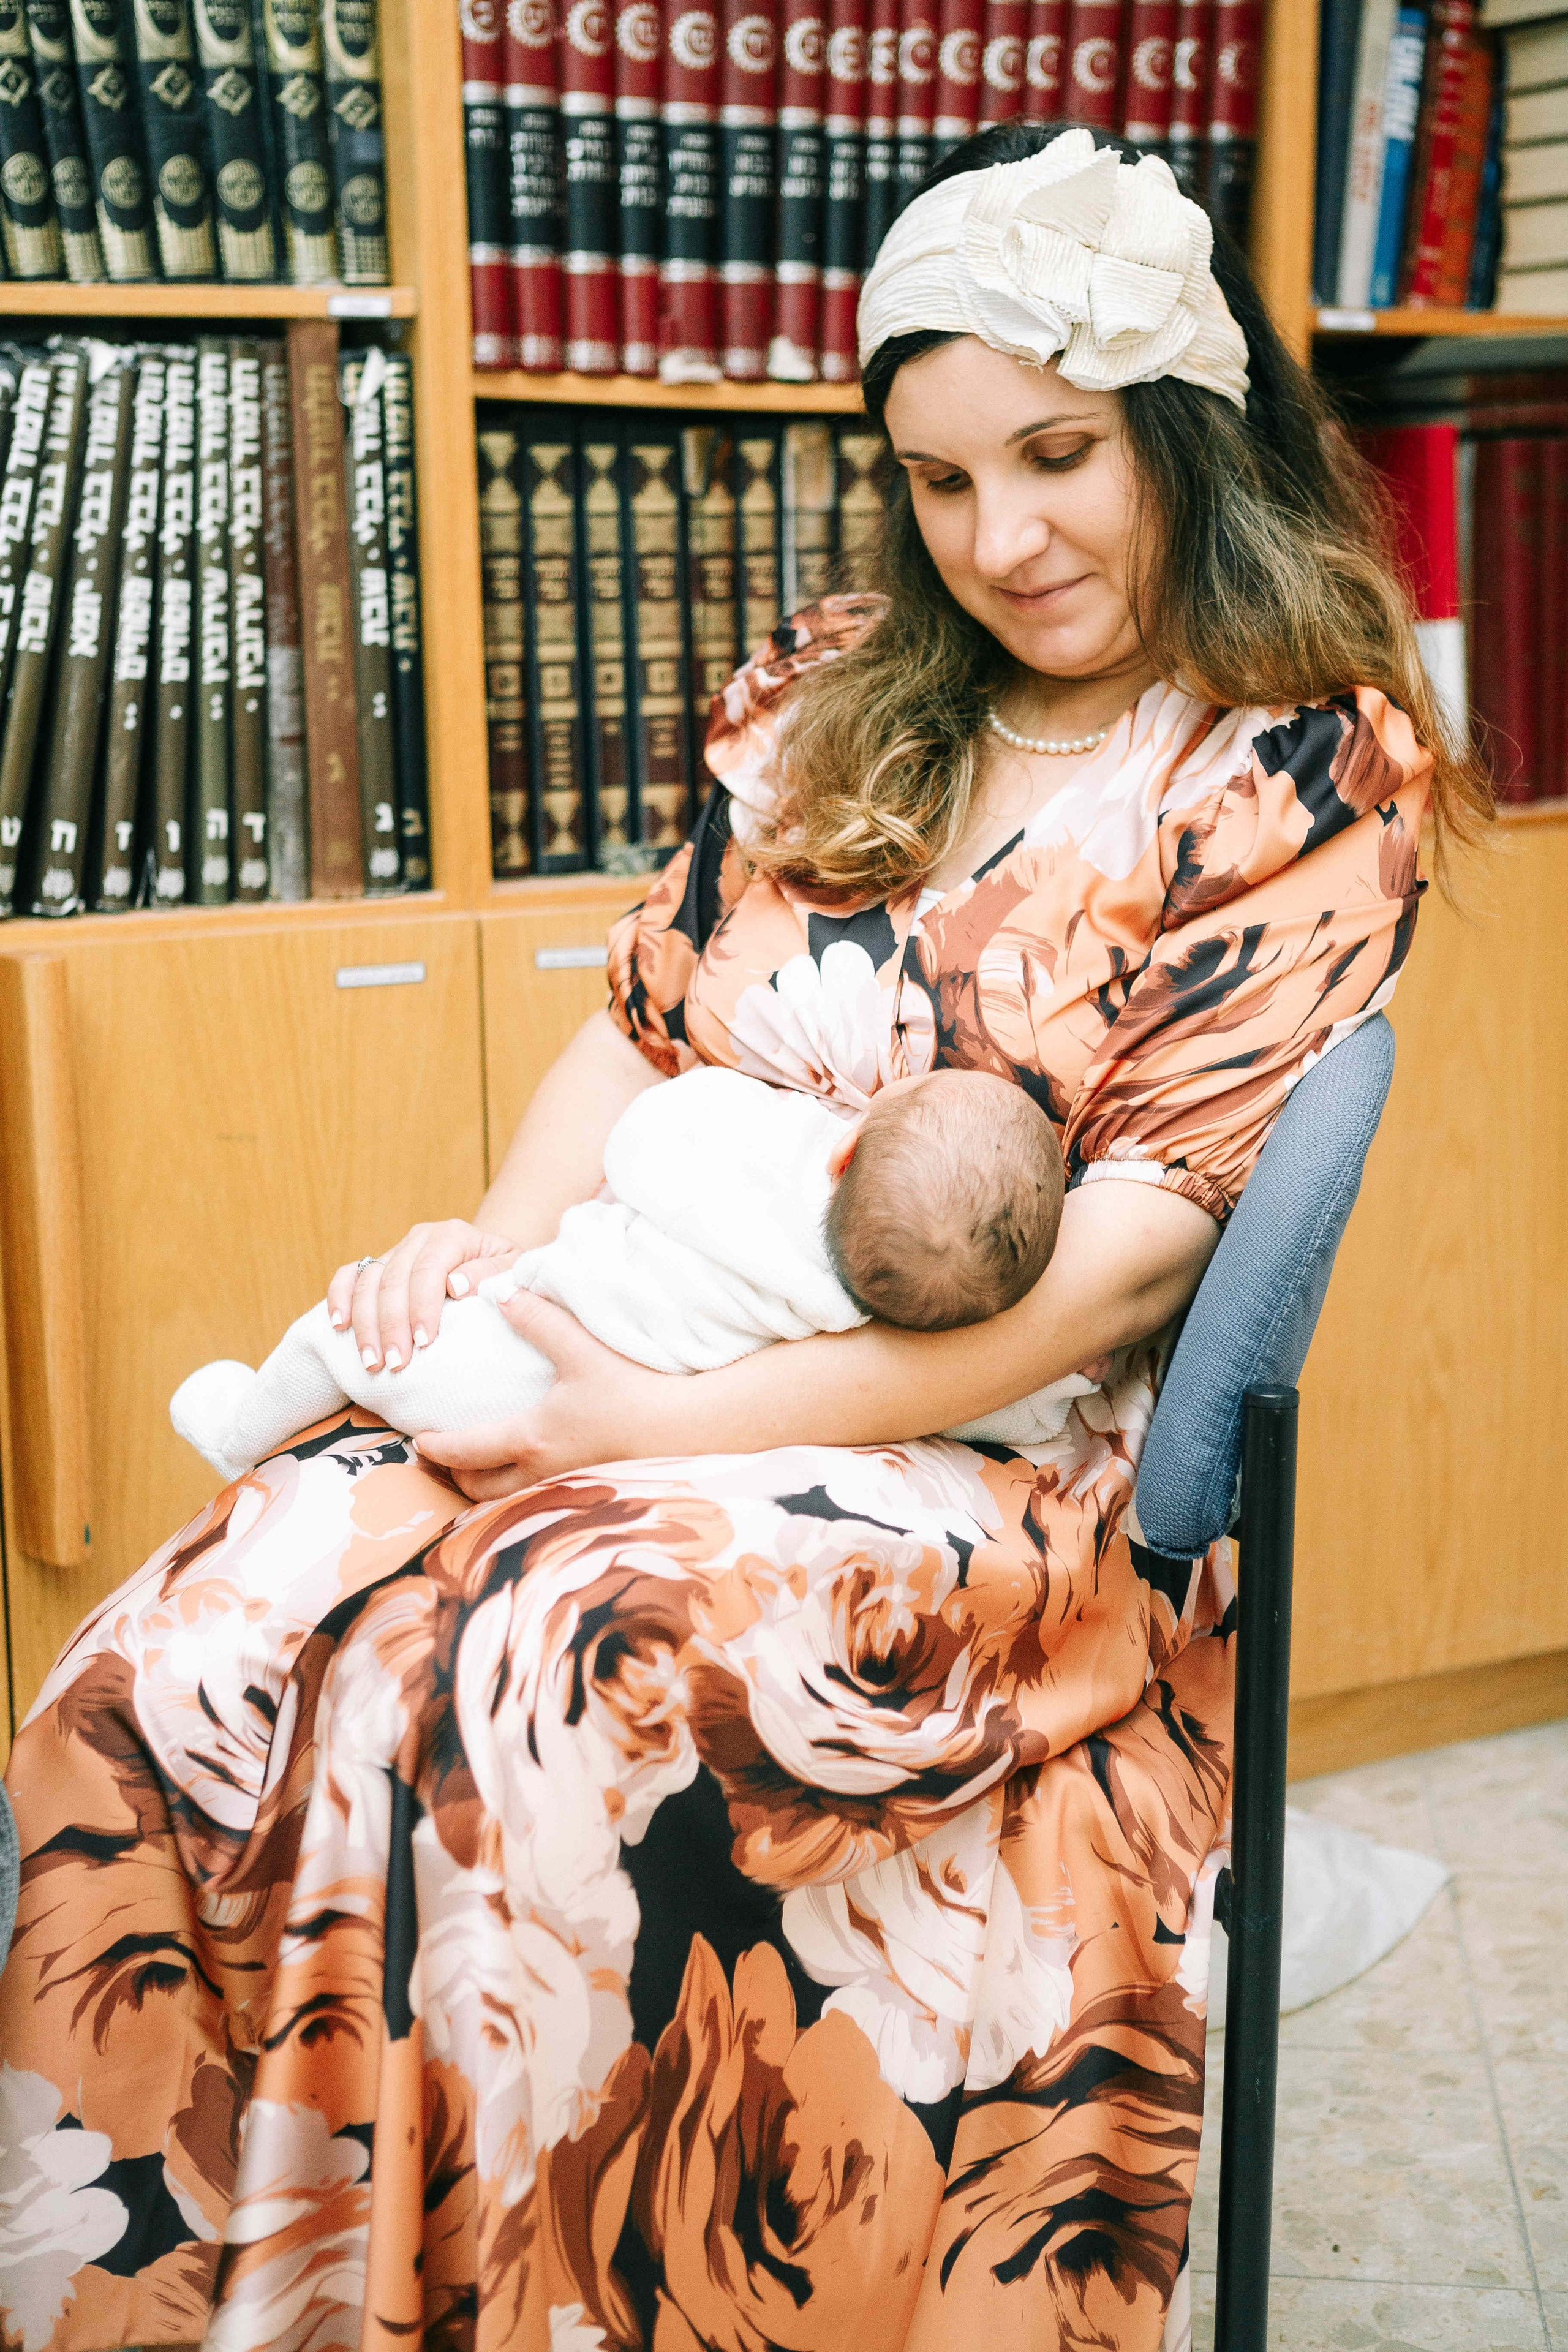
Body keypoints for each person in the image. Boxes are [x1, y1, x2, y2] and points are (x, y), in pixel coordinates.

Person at [0, 124, 1485, 2352]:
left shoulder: (1304, 770)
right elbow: (634, 1019)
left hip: (1001, 1461)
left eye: (1061, 457)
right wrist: (493, 1270)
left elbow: (1108, 1283)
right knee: (178, 1644)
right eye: (945, 479)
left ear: (1184, 414)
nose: (1005, 539)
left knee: (501, 1672)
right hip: (643, 1331)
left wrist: (647, 1423)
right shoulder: (834, 688)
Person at [168, 1064, 1084, 1482]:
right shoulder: (888, 1322)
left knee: (338, 1340)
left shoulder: (764, 1168)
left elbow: (650, 1132)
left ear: (844, 1154)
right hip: (665, 1450)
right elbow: (1019, 1401)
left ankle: (239, 1429)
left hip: (514, 1357)